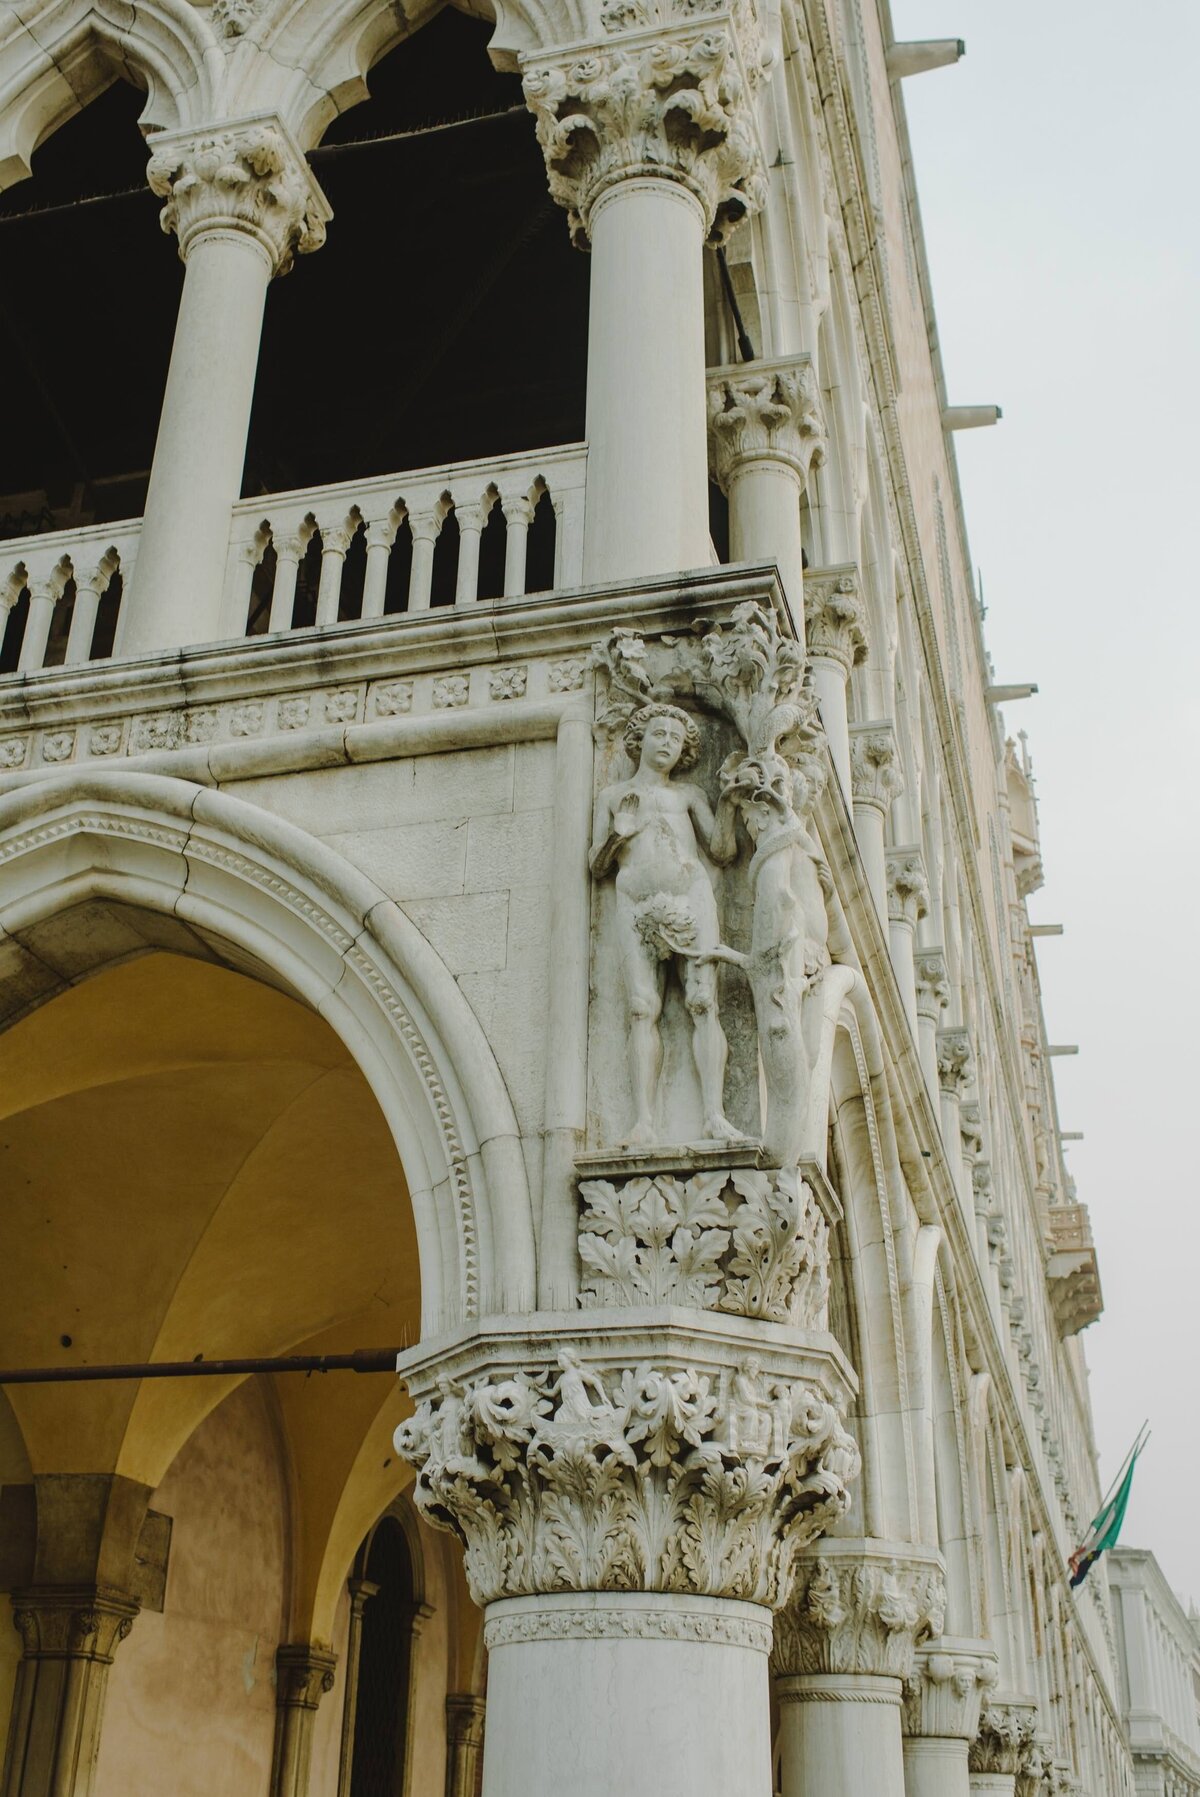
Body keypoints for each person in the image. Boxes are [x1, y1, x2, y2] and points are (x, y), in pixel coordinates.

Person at [590, 702, 744, 1147]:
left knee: (702, 1003)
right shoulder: (613, 797)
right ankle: (644, 1121)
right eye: (659, 735)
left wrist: (730, 804)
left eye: (675, 740)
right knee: (642, 1007)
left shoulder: (689, 796)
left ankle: (714, 1114)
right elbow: (597, 865)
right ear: (640, 741)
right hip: (635, 906)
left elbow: (722, 851)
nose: (667, 745)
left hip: (690, 900)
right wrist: (619, 833)